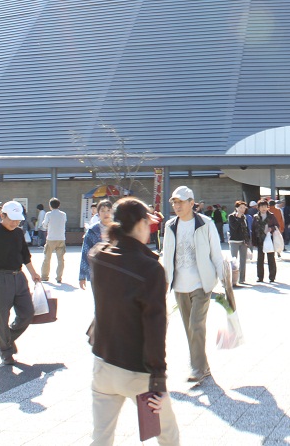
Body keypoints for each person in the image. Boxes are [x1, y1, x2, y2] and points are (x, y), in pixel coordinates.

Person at [88, 197, 180, 445]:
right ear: (141, 223)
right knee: (168, 435)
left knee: (101, 438)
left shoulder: (98, 255)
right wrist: (158, 380)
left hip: (103, 364)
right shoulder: (150, 269)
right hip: (138, 373)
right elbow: (155, 326)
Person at [161, 186, 225, 384]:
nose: (176, 205)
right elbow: (166, 254)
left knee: (196, 325)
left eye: (180, 202)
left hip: (201, 284)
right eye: (174, 202)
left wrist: (224, 282)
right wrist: (164, 281)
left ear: (191, 203)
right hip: (179, 285)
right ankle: (203, 367)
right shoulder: (170, 225)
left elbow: (216, 252)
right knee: (190, 328)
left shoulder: (205, 223)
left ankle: (196, 368)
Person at [0, 200, 42, 364]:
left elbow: (25, 256)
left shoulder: (19, 233)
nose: (15, 223)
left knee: (27, 313)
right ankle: (5, 351)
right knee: (1, 317)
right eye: (11, 219)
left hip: (19, 277)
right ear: (1, 215)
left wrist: (34, 273)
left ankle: (8, 337)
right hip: (0, 278)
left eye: (18, 219)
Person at [80, 200, 113, 289]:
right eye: (102, 211)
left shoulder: (119, 229)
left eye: (108, 210)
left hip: (115, 273)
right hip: (97, 272)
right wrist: (82, 275)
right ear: (98, 213)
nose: (106, 213)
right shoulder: (92, 231)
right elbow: (85, 252)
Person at [39, 197, 67, 283]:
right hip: (61, 238)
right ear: (59, 205)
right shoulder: (63, 214)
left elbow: (44, 225)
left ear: (50, 206)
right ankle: (59, 277)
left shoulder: (48, 214)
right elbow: (64, 222)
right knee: (60, 259)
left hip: (51, 238)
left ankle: (44, 276)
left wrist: (47, 226)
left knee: (47, 258)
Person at [252, 202, 279, 283]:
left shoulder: (271, 216)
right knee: (260, 259)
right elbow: (253, 229)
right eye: (262, 206)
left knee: (271, 258)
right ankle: (260, 277)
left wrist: (271, 228)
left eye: (265, 206)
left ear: (268, 207)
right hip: (259, 239)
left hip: (269, 239)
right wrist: (254, 242)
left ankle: (272, 277)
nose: (263, 208)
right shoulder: (256, 217)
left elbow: (277, 225)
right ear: (258, 207)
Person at [227, 201, 250, 285]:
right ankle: (233, 279)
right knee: (234, 260)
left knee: (243, 260)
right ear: (236, 208)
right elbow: (234, 227)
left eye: (244, 208)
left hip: (243, 241)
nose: (242, 209)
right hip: (234, 241)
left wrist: (247, 240)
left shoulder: (245, 217)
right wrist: (239, 217)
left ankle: (242, 279)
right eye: (240, 207)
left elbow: (246, 229)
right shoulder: (231, 217)